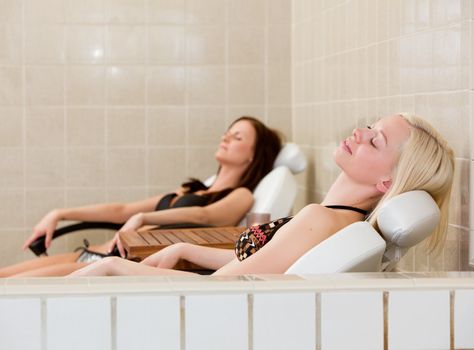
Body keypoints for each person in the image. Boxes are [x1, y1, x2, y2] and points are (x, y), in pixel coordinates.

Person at [70, 113, 455, 277]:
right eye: (370, 126)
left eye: (376, 140)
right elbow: (261, 267)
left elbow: (226, 287)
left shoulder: (323, 219)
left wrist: (117, 268)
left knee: (100, 267)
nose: (360, 133)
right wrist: (184, 250)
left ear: (388, 182)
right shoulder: (336, 217)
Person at [1, 116, 282, 277]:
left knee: (10, 291)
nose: (226, 138)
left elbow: (204, 216)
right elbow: (121, 208)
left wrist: (143, 217)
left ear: (253, 155)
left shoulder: (242, 195)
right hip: (90, 253)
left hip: (108, 265)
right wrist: (59, 213)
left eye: (237, 137)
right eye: (227, 133)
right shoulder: (192, 190)